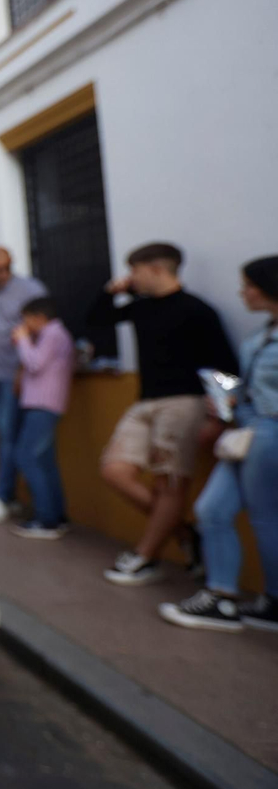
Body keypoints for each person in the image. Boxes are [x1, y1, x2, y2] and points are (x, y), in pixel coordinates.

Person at [88, 242, 237, 585]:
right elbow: (96, 320)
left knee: (168, 482)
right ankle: (185, 535)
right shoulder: (140, 308)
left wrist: (219, 420)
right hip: (145, 400)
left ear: (156, 269)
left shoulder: (197, 310)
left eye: (134, 271)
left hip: (184, 402)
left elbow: (225, 366)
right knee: (114, 469)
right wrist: (110, 291)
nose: (130, 278)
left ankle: (146, 556)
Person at [159, 255, 278, 632]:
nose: (242, 292)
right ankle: (222, 597)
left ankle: (265, 601)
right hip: (246, 432)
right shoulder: (260, 337)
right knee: (212, 509)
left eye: (249, 285)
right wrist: (225, 394)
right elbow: (248, 387)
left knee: (264, 518)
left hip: (269, 432)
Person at [0, 247, 47, 523]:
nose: (1, 273)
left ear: (12, 264)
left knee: (9, 433)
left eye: (5, 267)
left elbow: (43, 329)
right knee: (2, 432)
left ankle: (2, 493)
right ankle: (11, 495)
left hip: (17, 373)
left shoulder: (29, 288)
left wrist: (22, 371)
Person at [8, 297, 75, 540]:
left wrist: (22, 340)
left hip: (42, 405)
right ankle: (56, 516)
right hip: (45, 405)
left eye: (26, 320)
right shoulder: (56, 335)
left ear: (38, 317)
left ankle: (46, 519)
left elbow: (35, 363)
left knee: (26, 456)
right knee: (45, 463)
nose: (24, 325)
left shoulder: (52, 334)